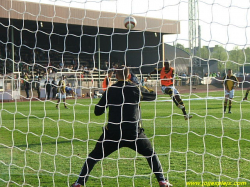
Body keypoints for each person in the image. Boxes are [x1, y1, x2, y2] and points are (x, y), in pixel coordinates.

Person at [71, 66, 172, 187]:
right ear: (129, 76)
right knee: (150, 154)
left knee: (93, 157)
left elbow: (97, 111)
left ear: (116, 76)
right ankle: (162, 181)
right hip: (133, 133)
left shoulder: (110, 90)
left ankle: (79, 183)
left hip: (113, 133)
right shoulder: (136, 88)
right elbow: (153, 95)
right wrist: (137, 85)